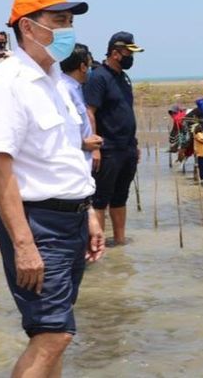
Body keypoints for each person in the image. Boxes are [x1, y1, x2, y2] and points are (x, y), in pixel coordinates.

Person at [0, 0, 104, 376]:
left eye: (70, 21)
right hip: (37, 223)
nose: (68, 30)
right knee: (54, 335)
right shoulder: (5, 84)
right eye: (59, 21)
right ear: (27, 27)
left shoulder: (58, 82)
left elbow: (64, 158)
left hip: (72, 220)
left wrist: (90, 213)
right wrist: (24, 245)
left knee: (53, 334)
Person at [84, 31, 144, 245]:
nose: (131, 58)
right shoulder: (99, 77)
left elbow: (125, 111)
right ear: (116, 53)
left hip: (126, 148)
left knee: (120, 197)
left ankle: (119, 241)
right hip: (107, 149)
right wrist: (96, 147)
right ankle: (97, 245)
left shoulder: (124, 78)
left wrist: (134, 144)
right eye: (129, 53)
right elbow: (89, 111)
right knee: (100, 199)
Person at [60, 43, 103, 166]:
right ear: (83, 67)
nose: (91, 69)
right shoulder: (64, 90)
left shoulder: (77, 87)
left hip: (84, 161)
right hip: (73, 162)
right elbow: (61, 132)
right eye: (89, 65)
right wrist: (83, 144)